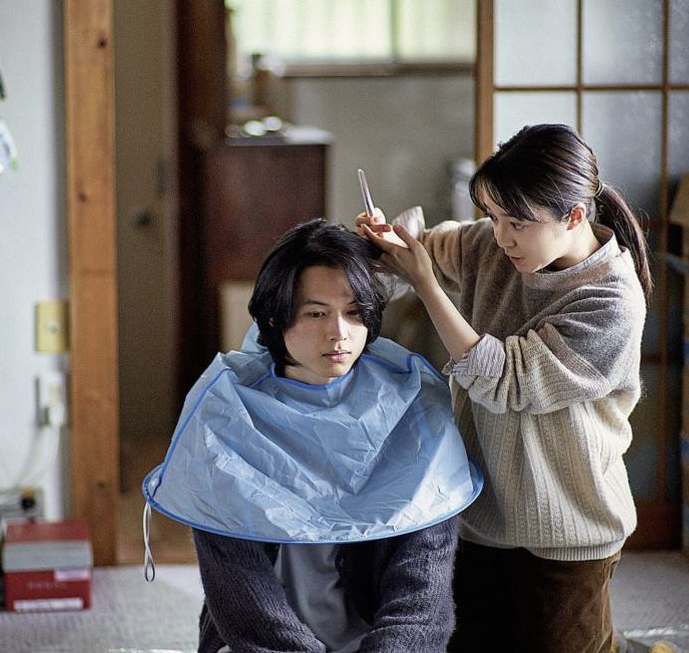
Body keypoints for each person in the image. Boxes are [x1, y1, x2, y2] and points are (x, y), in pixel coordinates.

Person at [357, 123, 651, 653]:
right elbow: (421, 250)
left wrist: (424, 283)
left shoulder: (612, 301)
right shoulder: (492, 247)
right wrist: (386, 244)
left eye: (517, 222)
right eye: (493, 217)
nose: (500, 236)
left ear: (575, 216)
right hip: (479, 515)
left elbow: (505, 380)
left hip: (569, 531)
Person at [142, 219, 482, 653]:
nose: (338, 332)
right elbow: (247, 605)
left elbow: (420, 602)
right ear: (274, 317)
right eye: (316, 313)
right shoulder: (224, 415)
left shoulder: (414, 408)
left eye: (355, 312)